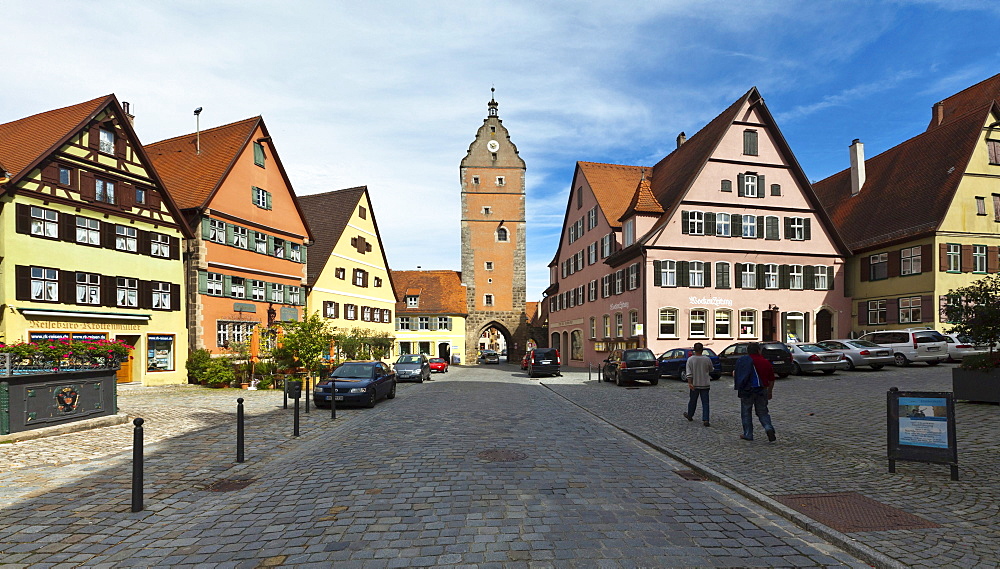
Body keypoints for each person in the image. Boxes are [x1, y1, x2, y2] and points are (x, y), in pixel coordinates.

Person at [733, 342, 776, 442]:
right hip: (761, 390)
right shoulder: (765, 362)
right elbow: (771, 379)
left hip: (746, 390)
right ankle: (768, 427)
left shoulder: (743, 361)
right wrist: (770, 392)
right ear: (758, 350)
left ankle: (748, 434)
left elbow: (736, 375)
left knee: (746, 412)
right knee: (763, 412)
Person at [683, 343, 714, 427]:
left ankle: (690, 415)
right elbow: (711, 369)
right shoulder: (707, 359)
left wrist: (690, 383)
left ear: (694, 349)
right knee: (705, 403)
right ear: (702, 349)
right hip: (705, 384)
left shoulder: (690, 359)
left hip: (695, 384)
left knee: (692, 401)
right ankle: (706, 419)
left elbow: (689, 373)